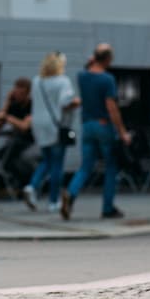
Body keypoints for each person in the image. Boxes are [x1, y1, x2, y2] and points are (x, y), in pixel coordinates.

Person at [61, 43, 131, 220]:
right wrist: (122, 131)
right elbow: (112, 107)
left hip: (86, 125)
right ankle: (107, 208)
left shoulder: (82, 76)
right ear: (108, 59)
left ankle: (71, 193)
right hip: (103, 125)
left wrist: (91, 60)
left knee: (86, 166)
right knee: (111, 167)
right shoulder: (107, 80)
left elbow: (88, 68)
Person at [22, 52, 80, 212]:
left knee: (46, 160)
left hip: (38, 124)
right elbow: (64, 102)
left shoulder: (37, 81)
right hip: (55, 125)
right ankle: (54, 201)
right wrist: (76, 101)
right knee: (57, 164)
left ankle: (32, 187)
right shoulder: (63, 81)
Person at [0, 78, 37, 191]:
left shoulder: (32, 105)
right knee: (2, 155)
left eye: (20, 94)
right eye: (16, 93)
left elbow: (24, 126)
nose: (17, 96)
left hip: (31, 141)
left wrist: (7, 117)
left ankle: (28, 185)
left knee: (22, 159)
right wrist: (7, 102)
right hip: (16, 142)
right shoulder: (14, 104)